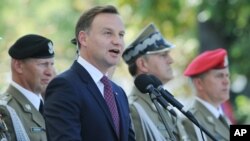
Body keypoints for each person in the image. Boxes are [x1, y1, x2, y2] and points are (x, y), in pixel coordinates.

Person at [44, 5, 135, 141]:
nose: (117, 41)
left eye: (121, 35)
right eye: (108, 33)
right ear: (83, 38)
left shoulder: (119, 92)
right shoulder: (64, 86)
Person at [122, 23, 189, 141]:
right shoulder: (133, 109)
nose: (171, 60)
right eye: (163, 55)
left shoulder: (164, 103)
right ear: (142, 64)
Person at [0, 34, 55, 141]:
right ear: (19, 66)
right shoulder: (5, 111)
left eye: (52, 64)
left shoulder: (50, 107)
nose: (50, 72)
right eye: (43, 64)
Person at [182, 48, 230, 141]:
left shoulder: (220, 115)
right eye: (219, 76)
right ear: (199, 83)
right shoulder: (191, 121)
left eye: (227, 75)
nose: (226, 81)